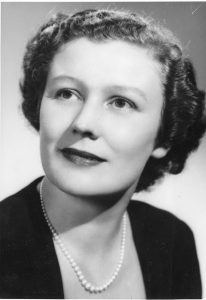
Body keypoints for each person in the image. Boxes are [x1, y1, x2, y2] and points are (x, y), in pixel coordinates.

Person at [0, 8, 205, 299]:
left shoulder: (172, 241)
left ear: (165, 136)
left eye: (121, 102)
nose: (83, 123)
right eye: (66, 93)